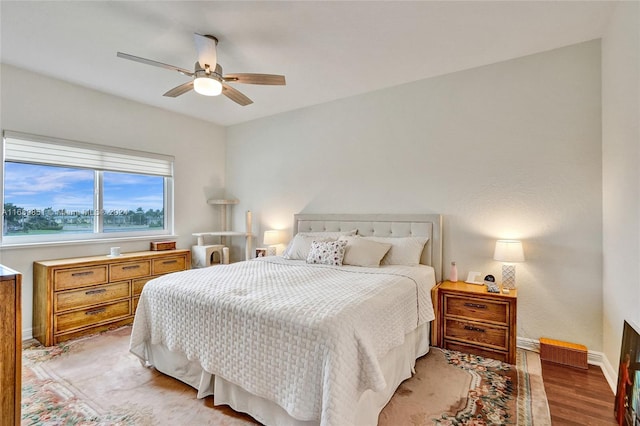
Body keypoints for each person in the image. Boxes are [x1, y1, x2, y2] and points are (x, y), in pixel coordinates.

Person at [617, 352, 633, 425]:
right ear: (628, 361)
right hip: (623, 387)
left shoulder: (622, 366)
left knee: (621, 403)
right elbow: (627, 380)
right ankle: (620, 421)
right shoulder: (625, 368)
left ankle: (619, 419)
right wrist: (631, 383)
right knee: (622, 403)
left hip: (621, 386)